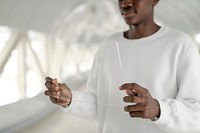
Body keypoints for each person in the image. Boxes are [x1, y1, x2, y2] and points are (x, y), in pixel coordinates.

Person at [44, 0, 200, 132]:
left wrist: (158, 109)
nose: (125, 3)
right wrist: (71, 99)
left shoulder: (180, 44)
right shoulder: (108, 45)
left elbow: (195, 115)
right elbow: (99, 106)